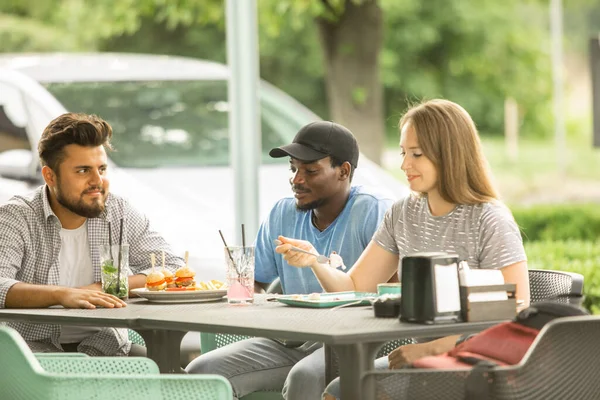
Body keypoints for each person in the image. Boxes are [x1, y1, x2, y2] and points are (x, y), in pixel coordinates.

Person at [275, 100, 530, 400]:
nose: (404, 165)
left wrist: (431, 348)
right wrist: (315, 261)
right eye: (403, 152)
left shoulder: (489, 219)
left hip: (477, 365)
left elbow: (517, 311)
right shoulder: (403, 213)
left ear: (448, 154)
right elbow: (355, 286)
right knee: (338, 391)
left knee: (348, 391)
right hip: (418, 359)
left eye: (416, 154)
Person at [185, 121, 395, 400]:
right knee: (203, 369)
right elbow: (253, 284)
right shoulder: (282, 213)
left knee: (305, 377)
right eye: (293, 168)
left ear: (343, 171)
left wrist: (316, 262)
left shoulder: (373, 210)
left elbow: (393, 291)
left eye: (310, 170)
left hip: (357, 343)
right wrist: (249, 301)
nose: (297, 179)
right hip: (292, 339)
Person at [0, 113, 184, 356]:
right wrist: (64, 294)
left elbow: (171, 266)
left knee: (184, 383)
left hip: (106, 348)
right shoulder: (15, 216)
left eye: (102, 169)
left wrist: (104, 288)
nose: (97, 181)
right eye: (83, 170)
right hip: (32, 356)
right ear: (50, 176)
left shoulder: (118, 211)